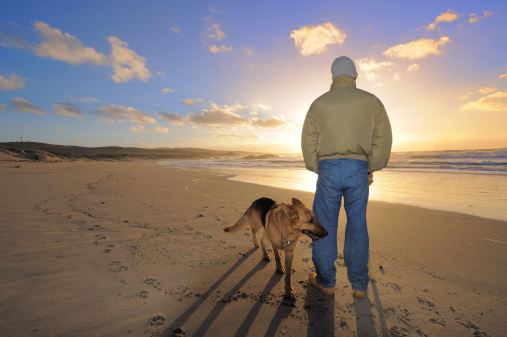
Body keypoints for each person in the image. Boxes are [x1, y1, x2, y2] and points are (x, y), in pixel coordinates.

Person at [301, 56, 392, 299]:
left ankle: (326, 281)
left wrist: (316, 167)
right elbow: (382, 140)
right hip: (359, 168)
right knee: (357, 226)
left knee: (325, 226)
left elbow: (308, 140)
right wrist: (371, 167)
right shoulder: (371, 101)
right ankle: (359, 286)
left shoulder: (318, 104)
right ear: (355, 75)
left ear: (332, 76)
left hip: (328, 169)